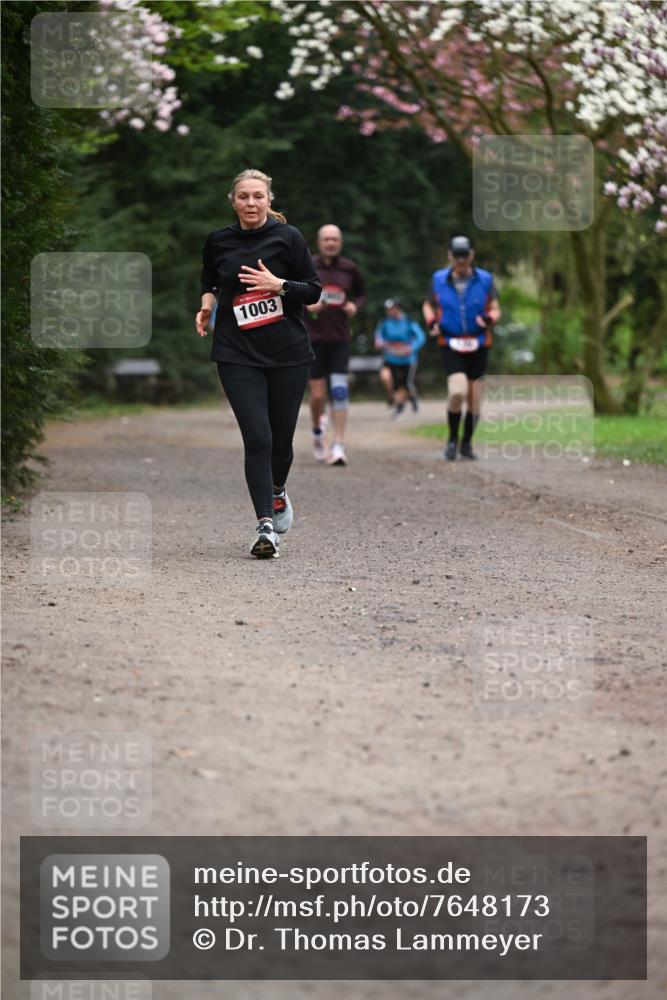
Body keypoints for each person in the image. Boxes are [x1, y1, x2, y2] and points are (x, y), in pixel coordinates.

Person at [196, 168, 321, 559]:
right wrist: (206, 305)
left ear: (269, 200)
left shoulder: (289, 237)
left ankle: (278, 489)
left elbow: (313, 291)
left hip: (288, 354)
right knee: (258, 438)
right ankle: (265, 526)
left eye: (258, 196)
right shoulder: (219, 240)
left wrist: (278, 285)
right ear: (233, 202)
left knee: (281, 442)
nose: (251, 203)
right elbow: (209, 280)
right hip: (236, 352)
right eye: (243, 196)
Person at [423, 235, 500, 460]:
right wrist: (431, 321)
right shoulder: (438, 279)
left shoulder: (485, 279)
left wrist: (489, 319)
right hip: (450, 341)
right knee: (457, 392)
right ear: (449, 256)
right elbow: (428, 305)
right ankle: (452, 440)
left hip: (479, 342)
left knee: (474, 398)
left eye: (464, 255)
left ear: (471, 255)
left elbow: (496, 308)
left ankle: (466, 444)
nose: (460, 260)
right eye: (456, 256)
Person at [304, 224, 366, 466]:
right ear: (319, 242)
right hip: (313, 339)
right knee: (318, 396)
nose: (331, 243)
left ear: (340, 242)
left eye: (335, 239)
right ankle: (317, 432)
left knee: (339, 391)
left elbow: (361, 294)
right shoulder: (307, 265)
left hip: (340, 338)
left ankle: (339, 444)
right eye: (326, 239)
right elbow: (293, 294)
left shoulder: (349, 268)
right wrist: (307, 305)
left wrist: (354, 307)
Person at [374, 299, 426, 419]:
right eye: (387, 310)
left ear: (398, 309)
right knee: (386, 377)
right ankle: (393, 399)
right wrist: (379, 342)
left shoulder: (409, 321)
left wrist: (411, 348)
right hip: (390, 357)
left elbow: (420, 337)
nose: (389, 312)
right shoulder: (385, 322)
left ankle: (401, 406)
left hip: (407, 359)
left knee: (405, 384)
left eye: (391, 309)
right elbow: (379, 335)